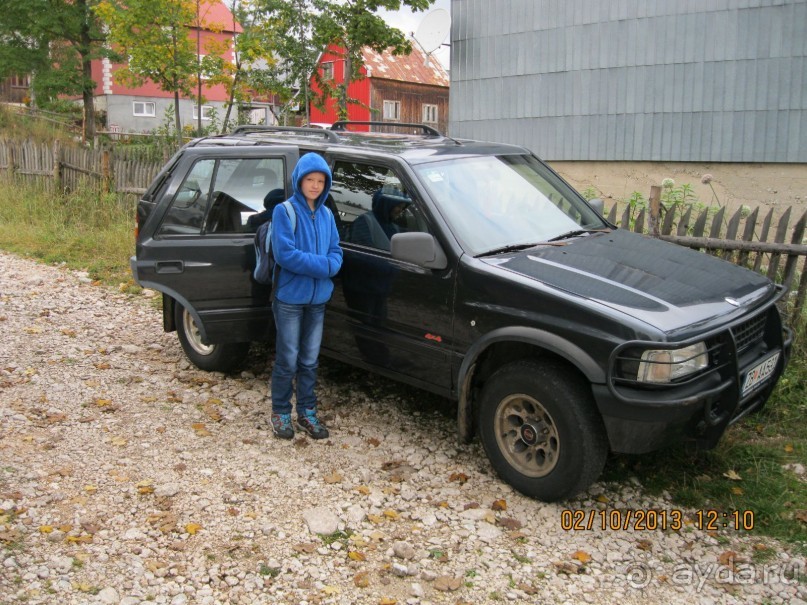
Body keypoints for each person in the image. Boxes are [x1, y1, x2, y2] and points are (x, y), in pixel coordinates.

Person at [269, 153, 343, 440]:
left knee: (310, 360)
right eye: (310, 179)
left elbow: (336, 251)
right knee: (288, 359)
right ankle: (280, 412)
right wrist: (325, 266)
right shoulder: (284, 211)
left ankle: (307, 413)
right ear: (299, 180)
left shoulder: (326, 215)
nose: (315, 185)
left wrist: (331, 263)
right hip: (289, 299)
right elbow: (285, 255)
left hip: (317, 301)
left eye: (320, 181)